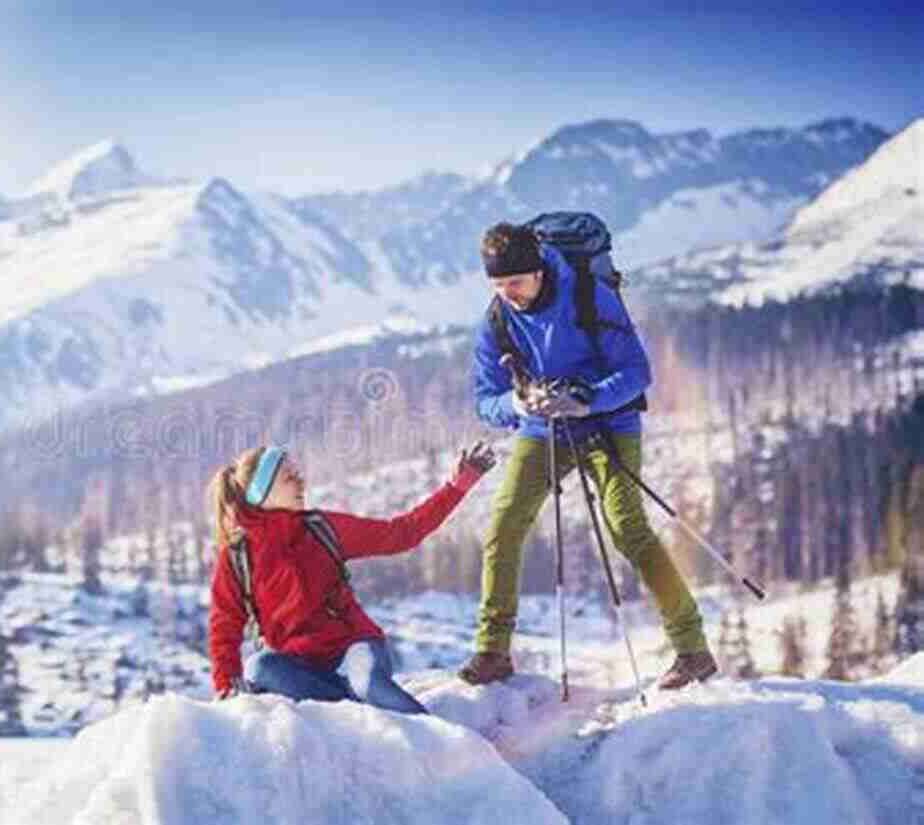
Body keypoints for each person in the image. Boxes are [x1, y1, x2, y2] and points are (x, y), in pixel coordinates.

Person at [461, 222, 716, 690]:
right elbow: (484, 400)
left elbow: (637, 372)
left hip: (608, 423)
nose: (507, 294)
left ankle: (692, 649)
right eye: (497, 285)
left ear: (538, 271)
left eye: (514, 282)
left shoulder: (587, 295)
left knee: (628, 527)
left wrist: (586, 399)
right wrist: (517, 404)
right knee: (504, 524)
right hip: (543, 428)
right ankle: (493, 652)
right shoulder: (497, 318)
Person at [208, 441, 495, 713]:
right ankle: (354, 715)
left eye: (297, 475)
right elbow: (225, 626)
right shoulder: (238, 557)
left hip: (353, 648)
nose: (300, 482)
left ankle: (448, 748)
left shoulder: (321, 529)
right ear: (262, 494)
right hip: (300, 665)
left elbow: (401, 533)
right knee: (260, 668)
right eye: (288, 478)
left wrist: (456, 487)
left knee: (368, 684)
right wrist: (226, 686)